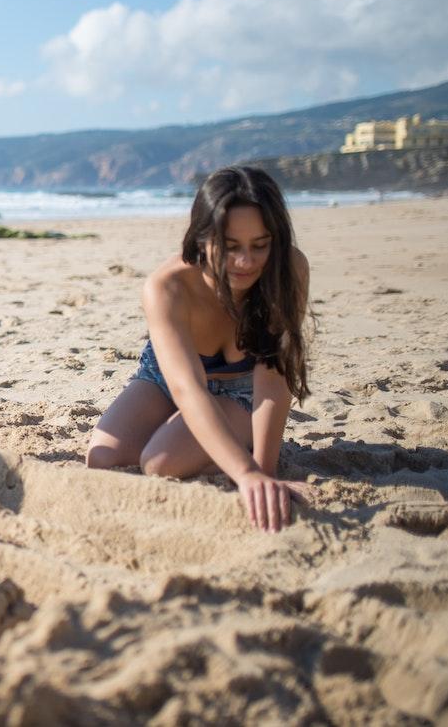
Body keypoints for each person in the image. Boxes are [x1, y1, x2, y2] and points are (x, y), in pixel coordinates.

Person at [85, 166, 312, 532]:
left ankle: (238, 442)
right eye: (231, 246)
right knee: (105, 458)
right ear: (201, 237)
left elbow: (273, 376)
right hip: (167, 378)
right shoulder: (167, 286)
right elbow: (186, 388)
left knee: (160, 464)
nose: (246, 262)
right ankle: (220, 445)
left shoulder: (289, 270)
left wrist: (258, 473)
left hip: (244, 391)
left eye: (260, 245)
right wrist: (246, 471)